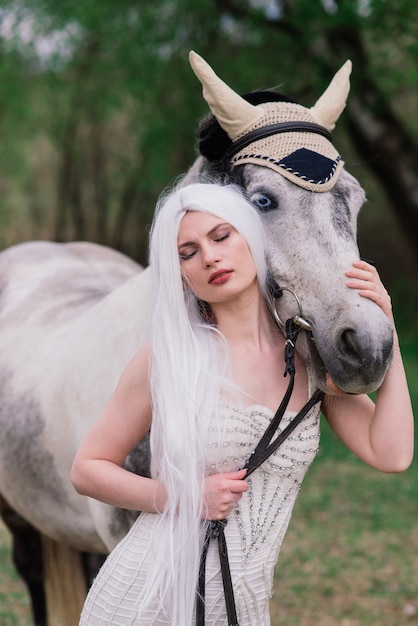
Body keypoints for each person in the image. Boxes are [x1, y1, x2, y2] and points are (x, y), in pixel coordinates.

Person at [71, 181, 414, 626]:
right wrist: (183, 498)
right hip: (143, 602)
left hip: (241, 607)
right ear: (180, 273)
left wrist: (389, 335)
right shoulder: (167, 358)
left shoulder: (308, 362)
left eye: (221, 236)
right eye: (188, 251)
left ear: (252, 238)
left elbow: (392, 453)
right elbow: (87, 467)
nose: (210, 257)